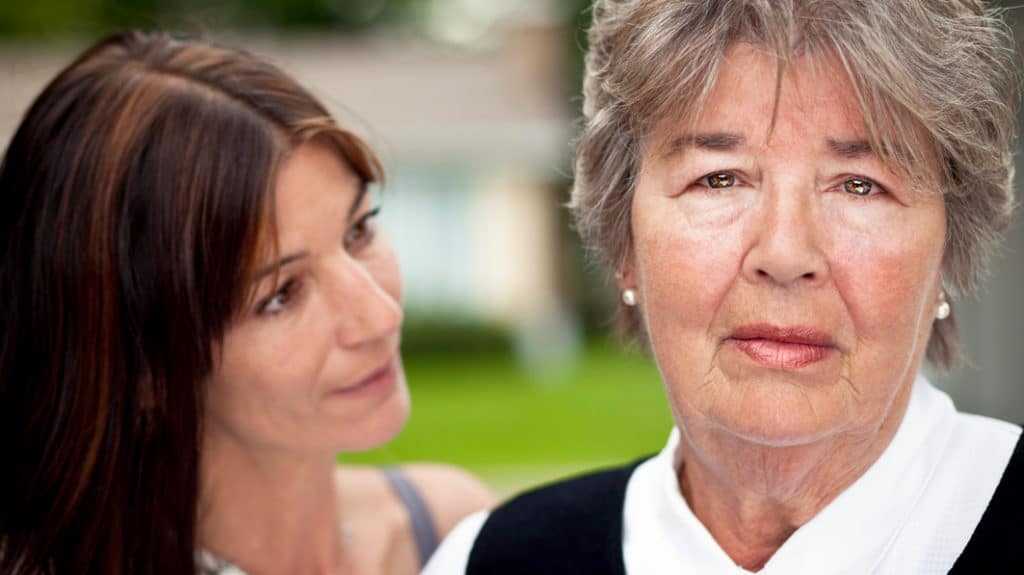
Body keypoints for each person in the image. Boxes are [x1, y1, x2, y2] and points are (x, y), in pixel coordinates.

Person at [424, 0, 1021, 573]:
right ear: (624, 244)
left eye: (859, 185)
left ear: (949, 249)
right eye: (719, 179)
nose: (785, 255)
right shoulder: (489, 562)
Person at [0, 30, 493, 575]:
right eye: (281, 295)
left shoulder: (457, 530)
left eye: (359, 231)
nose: (381, 314)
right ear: (146, 370)